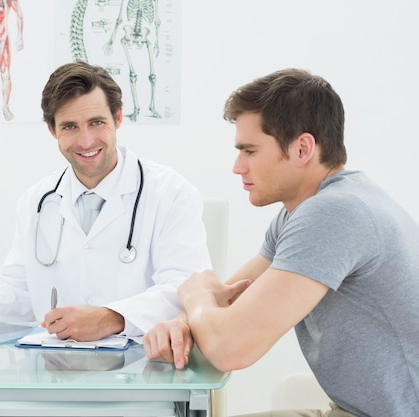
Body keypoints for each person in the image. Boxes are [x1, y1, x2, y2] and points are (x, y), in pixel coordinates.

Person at [143, 68, 419, 417]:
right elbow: (231, 296)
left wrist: (195, 296)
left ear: (303, 148)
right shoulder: (304, 212)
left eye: (250, 151)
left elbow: (230, 348)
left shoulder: (335, 213)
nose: (237, 167)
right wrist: (184, 321)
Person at [0, 61, 211, 343]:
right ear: (52, 130)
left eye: (97, 122)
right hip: (56, 369)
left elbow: (188, 288)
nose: (86, 141)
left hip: (145, 367)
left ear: (118, 118)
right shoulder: (37, 200)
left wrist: (112, 318)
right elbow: (17, 288)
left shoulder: (170, 193)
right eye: (70, 127)